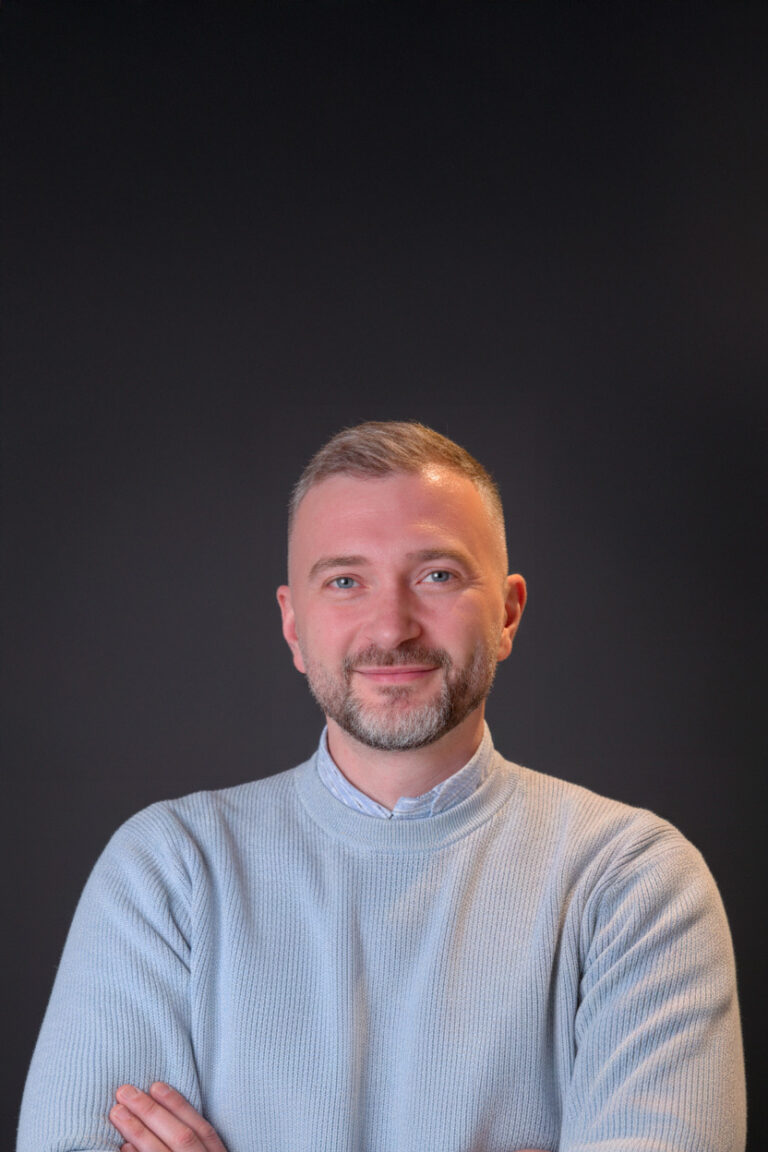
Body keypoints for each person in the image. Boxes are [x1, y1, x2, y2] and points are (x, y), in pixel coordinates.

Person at [18, 421, 746, 1152]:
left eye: (438, 575)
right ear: (294, 626)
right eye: (345, 581)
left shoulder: (632, 881)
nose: (392, 629)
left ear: (507, 614)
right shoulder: (169, 871)